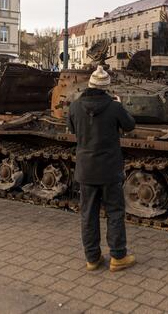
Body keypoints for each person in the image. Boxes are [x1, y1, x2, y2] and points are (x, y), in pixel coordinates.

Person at [67, 65, 136, 272]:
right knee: (114, 212)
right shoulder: (114, 107)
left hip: (86, 169)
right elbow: (130, 125)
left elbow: (72, 129)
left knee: (88, 214)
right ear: (106, 87)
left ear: (89, 84)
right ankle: (117, 257)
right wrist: (120, 106)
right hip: (109, 169)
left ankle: (92, 259)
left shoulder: (75, 107)